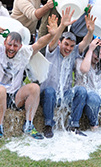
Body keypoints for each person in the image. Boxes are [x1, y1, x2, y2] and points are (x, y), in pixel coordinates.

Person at [0, 0, 57, 146]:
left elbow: (40, 43)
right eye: (9, 44)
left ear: (20, 46)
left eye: (15, 46)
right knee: (1, 90)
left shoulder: (23, 53)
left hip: (13, 97)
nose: (11, 48)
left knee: (34, 87)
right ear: (5, 43)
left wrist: (52, 34)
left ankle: (29, 125)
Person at [40, 9, 95, 138]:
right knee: (49, 91)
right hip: (48, 96)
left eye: (71, 46)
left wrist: (91, 31)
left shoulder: (73, 52)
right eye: (66, 44)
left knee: (81, 90)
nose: (68, 48)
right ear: (60, 43)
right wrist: (62, 25)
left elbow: (84, 43)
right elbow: (53, 41)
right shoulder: (52, 50)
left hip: (64, 95)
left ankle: (74, 126)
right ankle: (48, 126)